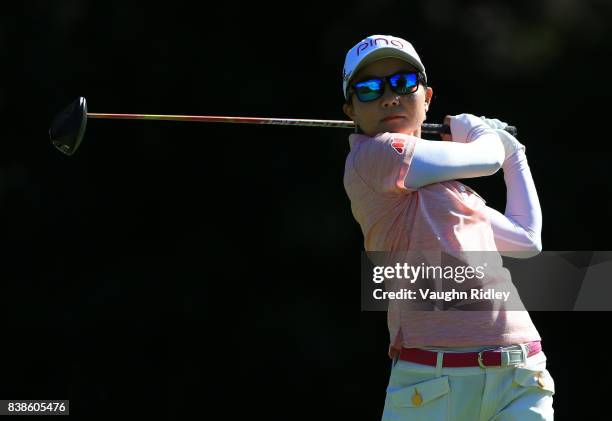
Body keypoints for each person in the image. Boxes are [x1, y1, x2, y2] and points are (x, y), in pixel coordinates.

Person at [341, 35, 555, 420]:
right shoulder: (372, 158)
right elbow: (486, 158)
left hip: (519, 375)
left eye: (404, 84)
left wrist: (515, 153)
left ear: (427, 97)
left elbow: (527, 239)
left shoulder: (453, 193)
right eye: (369, 89)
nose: (389, 97)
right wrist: (485, 135)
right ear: (350, 110)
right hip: (431, 382)